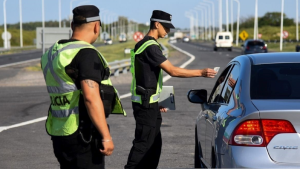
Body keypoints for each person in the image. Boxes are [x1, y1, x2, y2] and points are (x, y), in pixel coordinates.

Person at [124, 10, 217, 169]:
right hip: (146, 106)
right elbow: (172, 71)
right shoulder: (151, 47)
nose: (167, 31)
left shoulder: (142, 44)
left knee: (153, 147)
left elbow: (148, 76)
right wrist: (200, 72)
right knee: (143, 146)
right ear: (157, 24)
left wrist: (159, 98)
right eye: (166, 27)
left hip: (149, 103)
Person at [40, 5, 125, 169]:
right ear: (96, 26)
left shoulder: (52, 54)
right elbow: (90, 97)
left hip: (59, 131)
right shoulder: (86, 53)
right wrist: (106, 136)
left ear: (72, 26)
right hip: (83, 133)